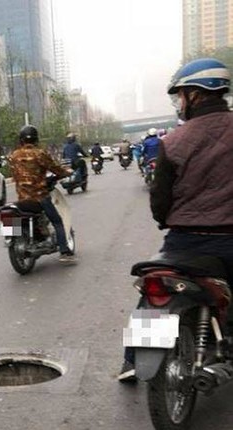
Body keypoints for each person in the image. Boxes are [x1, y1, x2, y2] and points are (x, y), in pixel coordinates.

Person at [118, 58, 233, 383]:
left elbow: (160, 201)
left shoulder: (174, 142)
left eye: (180, 95)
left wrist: (171, 221)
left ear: (196, 94)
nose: (179, 103)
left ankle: (130, 361)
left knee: (154, 288)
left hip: (182, 240)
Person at [9, 125, 76, 263]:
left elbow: (13, 175)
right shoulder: (40, 154)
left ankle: (11, 240)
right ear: (36, 139)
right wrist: (67, 172)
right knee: (57, 221)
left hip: (22, 199)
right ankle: (64, 252)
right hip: (39, 198)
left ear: (21, 140)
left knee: (11, 215)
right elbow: (55, 168)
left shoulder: (14, 156)